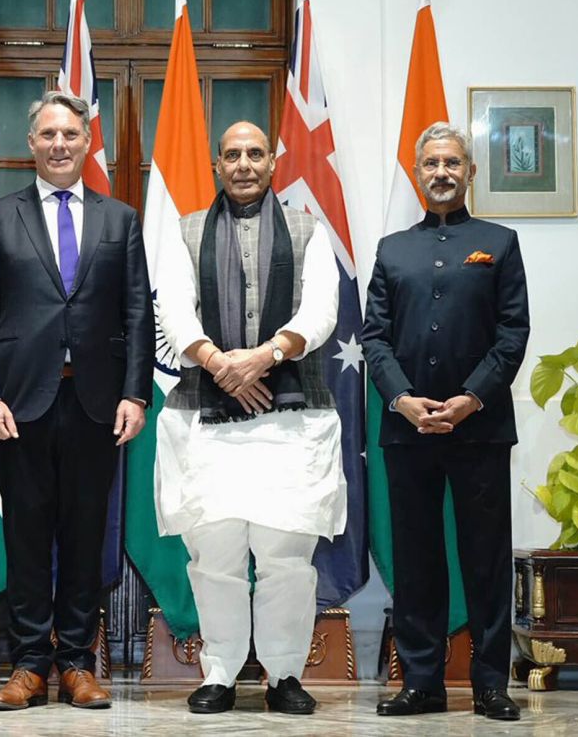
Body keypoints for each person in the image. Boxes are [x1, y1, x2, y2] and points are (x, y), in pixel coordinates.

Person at [0, 92, 154, 711]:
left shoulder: (120, 219)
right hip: (19, 404)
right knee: (24, 534)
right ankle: (27, 665)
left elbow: (135, 310)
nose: (59, 144)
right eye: (47, 133)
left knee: (83, 536)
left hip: (96, 401)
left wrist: (135, 392)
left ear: (86, 141)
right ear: (32, 144)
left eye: (70, 134)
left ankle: (76, 662)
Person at [153, 121, 347, 715]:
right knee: (215, 557)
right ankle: (220, 673)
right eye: (232, 154)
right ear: (217, 163)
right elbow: (175, 311)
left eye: (255, 154)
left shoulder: (309, 230)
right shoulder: (185, 231)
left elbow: (321, 311)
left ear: (272, 163)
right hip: (205, 418)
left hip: (292, 418)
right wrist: (219, 364)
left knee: (286, 557)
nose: (243, 164)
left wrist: (264, 357)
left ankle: (284, 675)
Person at [363, 122, 530, 721]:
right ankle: (423, 681)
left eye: (453, 163)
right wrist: (403, 399)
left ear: (470, 172)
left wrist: (470, 398)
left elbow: (513, 335)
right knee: (418, 559)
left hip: (479, 427)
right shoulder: (391, 249)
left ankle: (490, 683)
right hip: (406, 429)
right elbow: (374, 338)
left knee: (485, 558)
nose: (441, 172)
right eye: (431, 163)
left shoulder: (500, 243)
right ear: (417, 173)